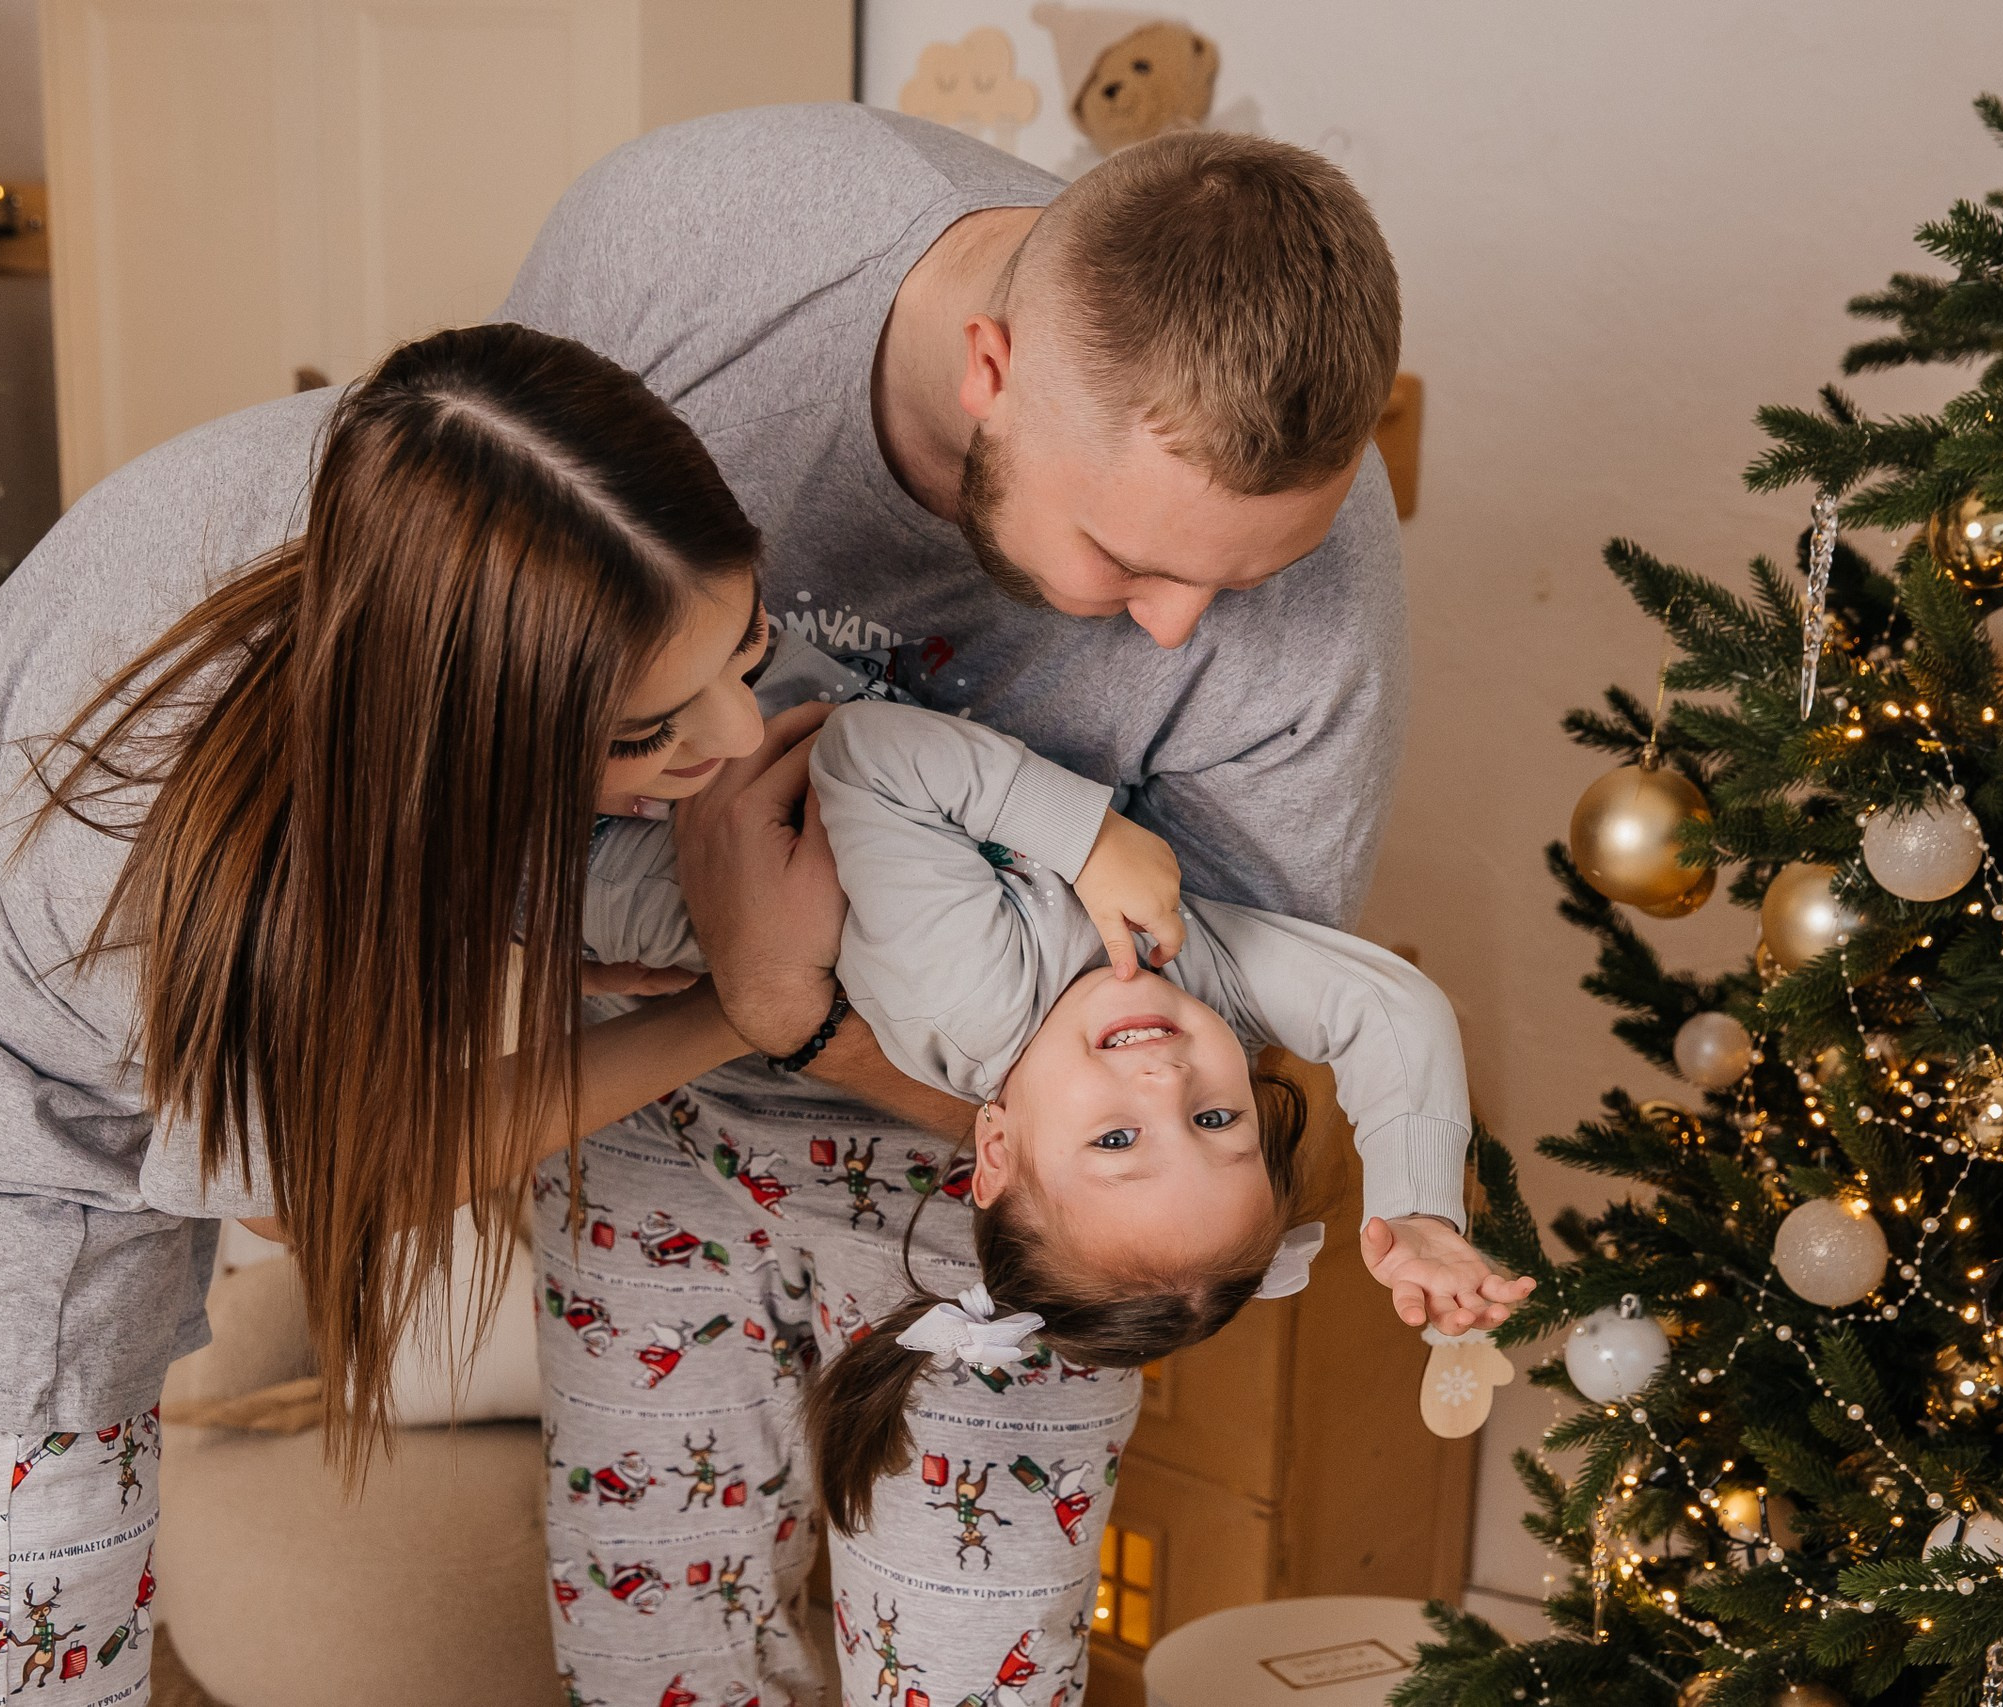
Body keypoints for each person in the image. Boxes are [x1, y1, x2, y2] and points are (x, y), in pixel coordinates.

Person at [0, 325, 825, 1706]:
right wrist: (742, 1009)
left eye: (749, 640)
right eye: (642, 732)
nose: (731, 733)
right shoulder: (215, 854)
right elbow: (330, 1180)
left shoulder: (381, 466)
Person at [501, 107, 1498, 1703]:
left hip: (1002, 1234)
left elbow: (1273, 1039)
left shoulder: (1318, 605)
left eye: (1236, 582)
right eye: (1128, 557)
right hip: (644, 1110)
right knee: (659, 1645)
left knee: (980, 1661)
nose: (1178, 632)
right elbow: (470, 653)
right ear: (988, 368)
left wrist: (806, 1018)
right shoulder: (690, 245)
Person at [581, 693, 1521, 1531]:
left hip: (585, 802)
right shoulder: (1190, 992)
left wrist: (1088, 840)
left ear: (994, 1145)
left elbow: (865, 747)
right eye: (1218, 1124)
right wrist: (1421, 1205)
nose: (1166, 1084)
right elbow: (1388, 1009)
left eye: (1118, 1141)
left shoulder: (975, 994)